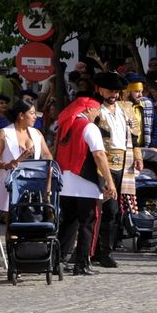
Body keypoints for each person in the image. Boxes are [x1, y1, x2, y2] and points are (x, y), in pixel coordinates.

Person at [52, 97, 116, 276]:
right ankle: (82, 262)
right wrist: (110, 181)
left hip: (66, 181)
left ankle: (58, 261)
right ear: (88, 109)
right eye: (96, 110)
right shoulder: (89, 127)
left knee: (68, 222)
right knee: (88, 223)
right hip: (86, 181)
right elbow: (99, 155)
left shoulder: (66, 125)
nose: (98, 113)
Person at [90, 71, 133, 266]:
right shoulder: (96, 110)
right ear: (100, 89)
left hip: (122, 164)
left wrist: (137, 156)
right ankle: (95, 251)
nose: (113, 94)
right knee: (101, 208)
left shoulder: (123, 110)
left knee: (114, 210)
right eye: (110, 90)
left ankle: (105, 250)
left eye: (116, 91)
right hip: (102, 164)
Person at [0, 99, 50, 215]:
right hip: (10, 185)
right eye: (32, 113)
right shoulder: (4, 133)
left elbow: (46, 154)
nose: (35, 117)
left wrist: (49, 168)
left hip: (33, 184)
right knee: (11, 223)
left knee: (30, 220)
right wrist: (7, 165)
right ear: (21, 115)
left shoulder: (37, 133)